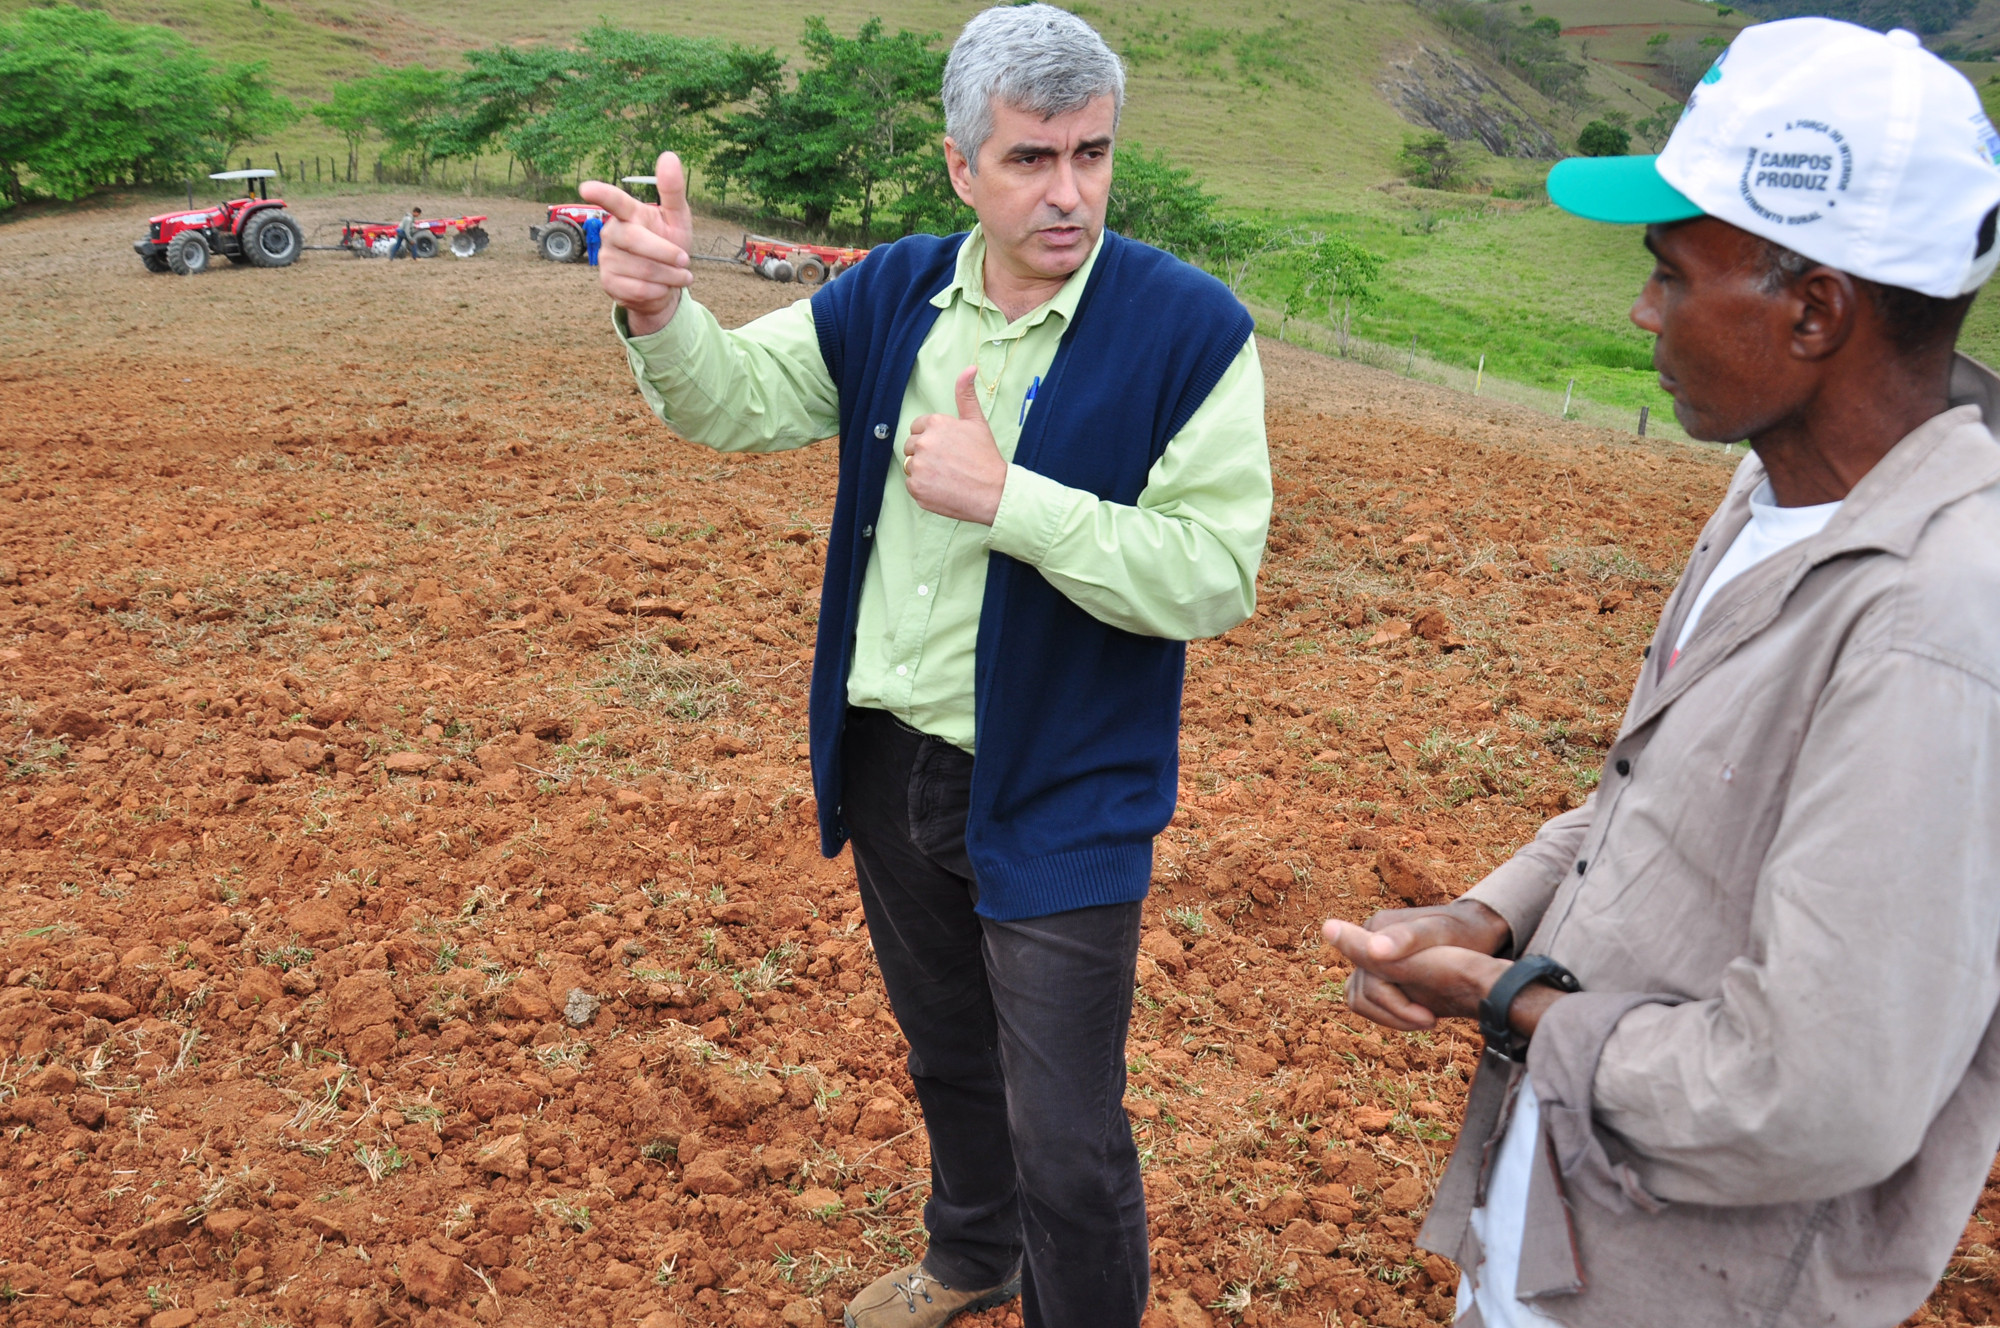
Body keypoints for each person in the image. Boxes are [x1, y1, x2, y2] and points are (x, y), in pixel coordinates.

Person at [582, 7, 1270, 1325]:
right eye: (1029, 160)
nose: (1067, 192)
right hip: (894, 754)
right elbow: (738, 399)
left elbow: (1213, 574)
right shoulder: (891, 296)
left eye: (1091, 154)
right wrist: (667, 315)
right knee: (950, 1052)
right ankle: (970, 1257)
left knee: (1068, 1133)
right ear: (963, 167)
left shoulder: (1191, 331)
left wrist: (1011, 501)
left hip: (1066, 778)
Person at [1322, 18, 2000, 1328]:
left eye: (1674, 275)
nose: (1643, 310)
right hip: (1568, 1239)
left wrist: (1513, 1008)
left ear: (1815, 310)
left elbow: (1812, 1095)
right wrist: (1490, 918)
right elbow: (1660, 804)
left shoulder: (1938, 626)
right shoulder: (1775, 493)